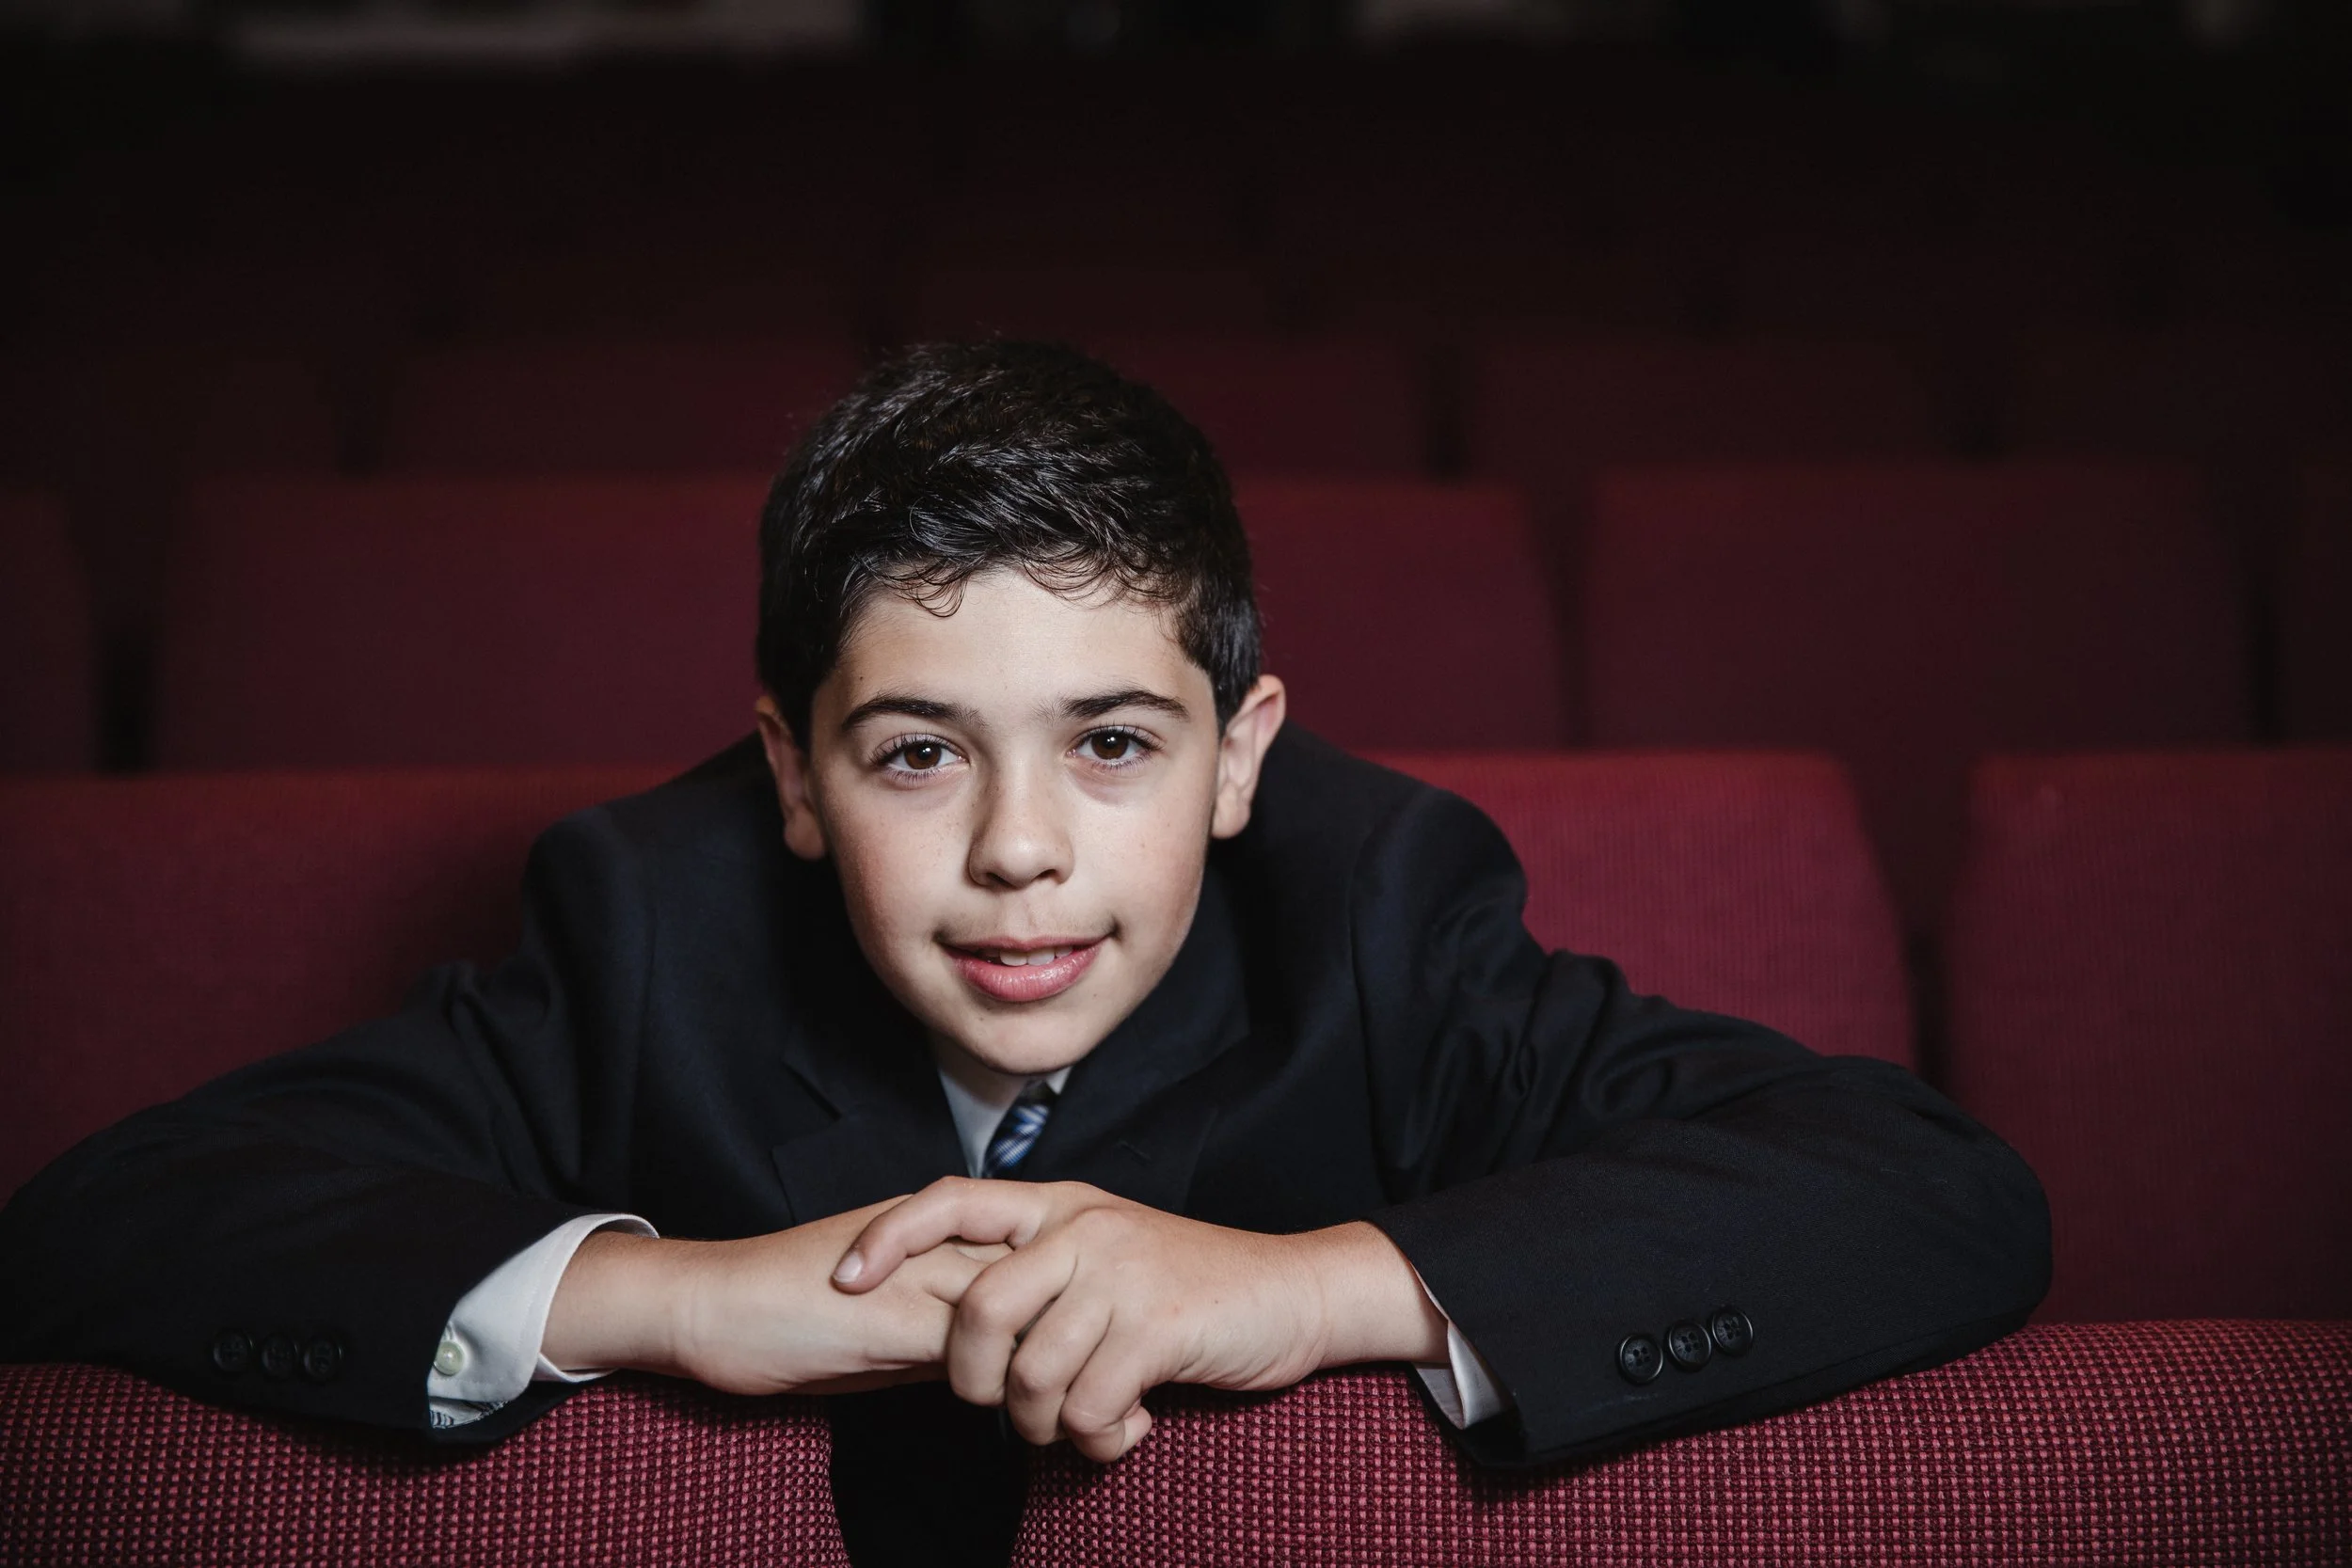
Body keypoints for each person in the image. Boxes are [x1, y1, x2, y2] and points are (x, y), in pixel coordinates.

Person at [0, 341, 2049, 1567]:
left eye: (1110, 742)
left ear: (1238, 760)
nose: (1017, 852)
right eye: (913, 751)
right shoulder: (647, 925)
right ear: (791, 777)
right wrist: (656, 1297)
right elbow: (99, 1220)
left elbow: (1930, 1189)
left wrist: (1322, 1283)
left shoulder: (1382, 913)